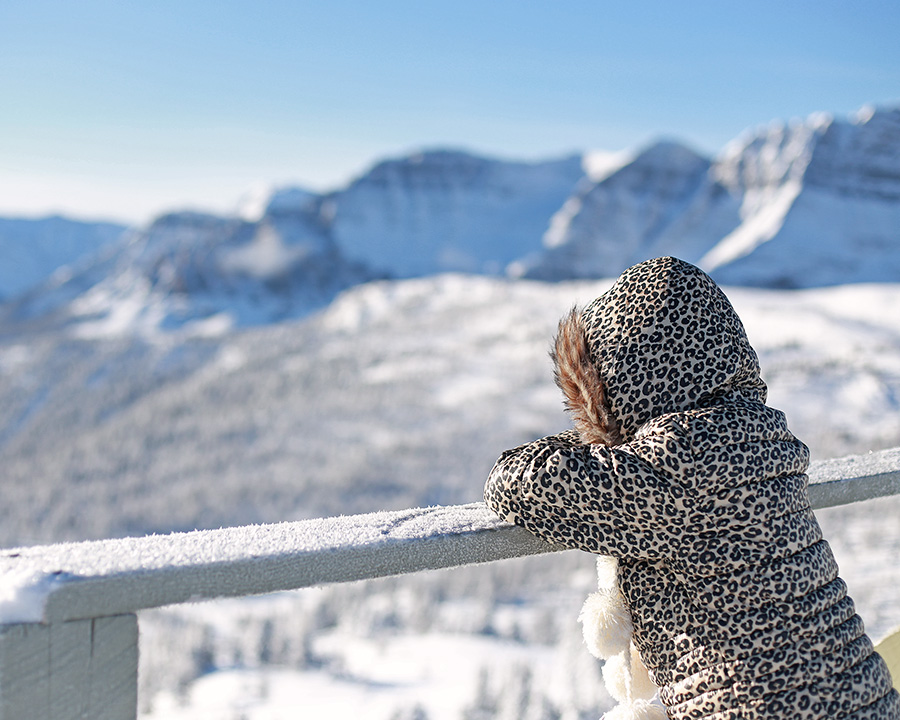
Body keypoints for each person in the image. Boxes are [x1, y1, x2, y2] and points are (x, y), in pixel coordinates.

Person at [484, 257, 899, 720]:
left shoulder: (676, 464)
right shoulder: (760, 435)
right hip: (866, 698)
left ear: (622, 386)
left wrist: (595, 442)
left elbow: (520, 485)